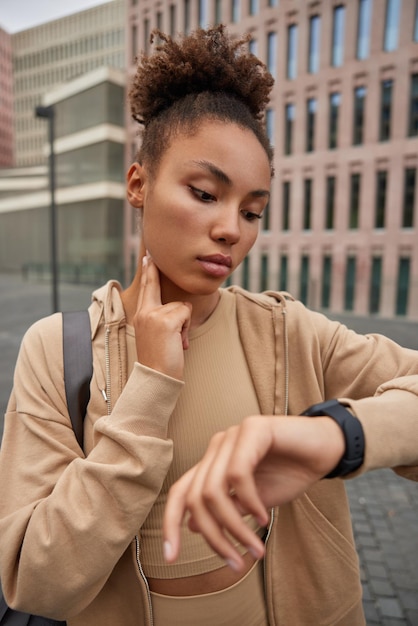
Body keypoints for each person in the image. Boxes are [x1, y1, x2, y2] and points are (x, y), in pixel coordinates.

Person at [0, 24, 417, 626]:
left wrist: (336, 436)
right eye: (204, 193)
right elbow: (35, 581)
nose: (232, 229)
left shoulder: (287, 332)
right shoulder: (57, 349)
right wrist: (147, 394)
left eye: (252, 211)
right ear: (139, 184)